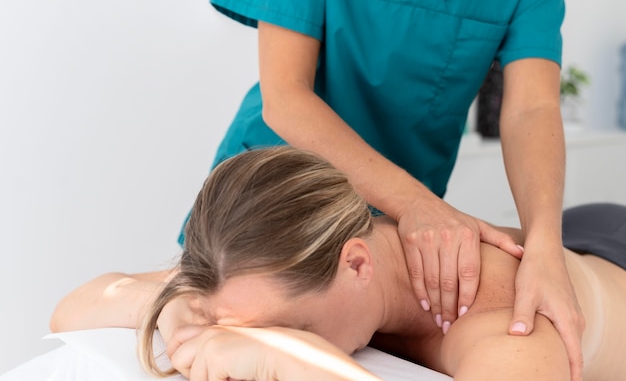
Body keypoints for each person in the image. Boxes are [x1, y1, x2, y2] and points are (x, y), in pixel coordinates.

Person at [186, 0, 585, 376]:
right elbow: (286, 95)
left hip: (398, 228)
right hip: (282, 209)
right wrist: (414, 203)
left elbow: (532, 108)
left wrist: (546, 246)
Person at [51, 147, 626, 381]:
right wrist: (175, 309)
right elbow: (71, 311)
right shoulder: (275, 262)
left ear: (356, 265)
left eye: (291, 325)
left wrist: (296, 360)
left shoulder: (507, 331)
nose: (268, 333)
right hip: (575, 235)